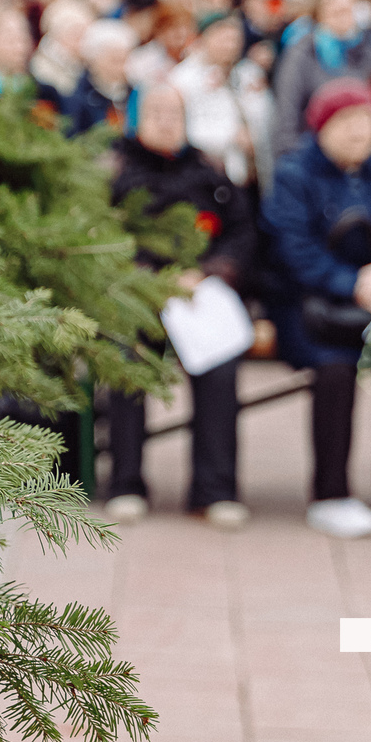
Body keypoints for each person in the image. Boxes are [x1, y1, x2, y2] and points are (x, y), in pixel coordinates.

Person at [262, 78, 371, 539]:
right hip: (314, 307)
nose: (359, 131)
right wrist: (352, 282)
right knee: (334, 369)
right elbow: (292, 249)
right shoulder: (294, 174)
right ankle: (331, 493)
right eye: (346, 121)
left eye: (367, 120)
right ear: (320, 127)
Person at [101, 83, 255, 529]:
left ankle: (215, 489)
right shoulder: (116, 168)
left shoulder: (208, 171)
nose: (167, 121)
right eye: (156, 112)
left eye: (175, 112)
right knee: (128, 359)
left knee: (221, 363)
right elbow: (101, 239)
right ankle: (127, 482)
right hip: (138, 294)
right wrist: (150, 277)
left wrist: (212, 271)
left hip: (200, 292)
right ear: (137, 118)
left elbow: (242, 232)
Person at [272, 0, 371, 157]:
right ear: (319, 13)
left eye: (348, 3)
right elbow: (287, 114)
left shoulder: (368, 50)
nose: (342, 8)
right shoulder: (301, 53)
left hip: (359, 152)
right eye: (332, 3)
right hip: (313, 154)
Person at [168, 13, 253, 185]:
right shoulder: (183, 77)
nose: (230, 46)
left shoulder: (245, 74)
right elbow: (184, 130)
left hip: (238, 175)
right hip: (200, 174)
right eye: (223, 39)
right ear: (203, 39)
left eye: (234, 40)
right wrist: (231, 136)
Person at [65, 18, 138, 135]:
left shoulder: (134, 92)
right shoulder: (80, 97)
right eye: (115, 61)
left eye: (124, 60)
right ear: (94, 61)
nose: (121, 68)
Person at [29, 0, 95, 99]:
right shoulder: (42, 68)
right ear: (58, 35)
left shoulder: (87, 64)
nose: (85, 40)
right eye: (78, 34)